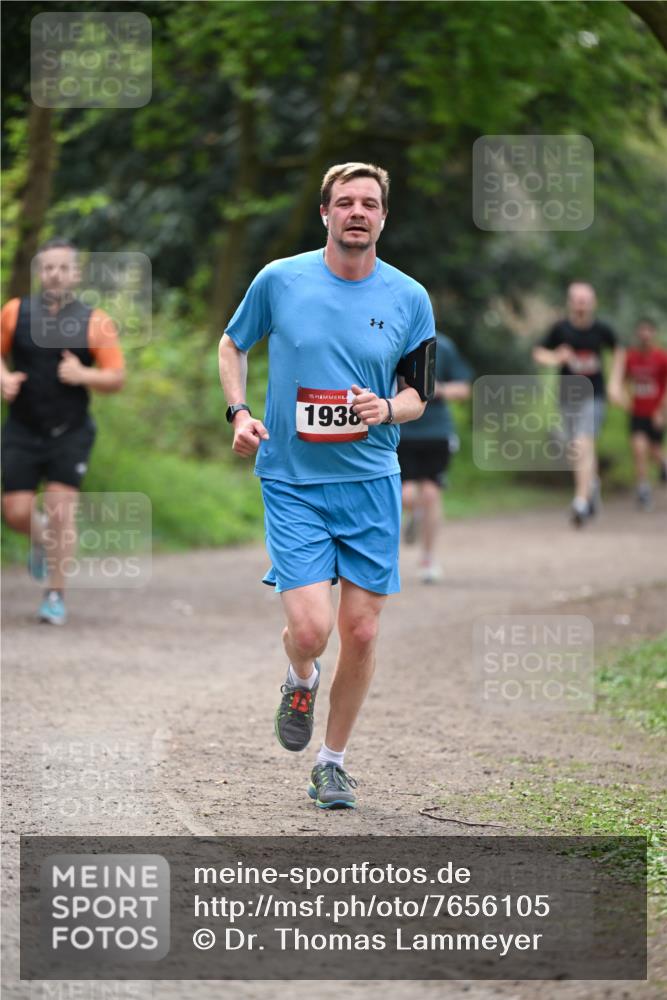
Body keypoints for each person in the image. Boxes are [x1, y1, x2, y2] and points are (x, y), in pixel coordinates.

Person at [218, 162, 435, 810]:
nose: (357, 212)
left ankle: (332, 762)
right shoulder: (279, 280)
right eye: (345, 202)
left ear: (383, 217)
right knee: (311, 630)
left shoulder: (408, 298)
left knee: (362, 633)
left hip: (370, 481)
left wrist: (386, 409)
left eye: (369, 203)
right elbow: (232, 345)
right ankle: (299, 676)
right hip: (293, 480)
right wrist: (239, 412)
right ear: (325, 213)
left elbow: (418, 393)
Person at [1, 239, 125, 624]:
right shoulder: (15, 312)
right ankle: (39, 541)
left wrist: (82, 373)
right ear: (40, 272)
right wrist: (3, 378)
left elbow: (116, 377)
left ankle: (55, 594)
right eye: (48, 267)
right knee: (16, 512)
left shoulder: (95, 320)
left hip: (70, 431)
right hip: (22, 427)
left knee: (60, 511)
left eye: (63, 268)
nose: (55, 274)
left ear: (76, 274)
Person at [532, 282, 625, 527]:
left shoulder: (602, 330)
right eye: (577, 299)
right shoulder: (560, 329)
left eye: (585, 299)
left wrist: (615, 382)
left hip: (594, 396)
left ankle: (580, 503)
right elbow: (539, 353)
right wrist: (556, 357)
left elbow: (618, 351)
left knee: (582, 442)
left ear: (593, 302)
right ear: (570, 302)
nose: (581, 304)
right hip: (567, 397)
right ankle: (592, 484)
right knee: (575, 447)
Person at [399, 331, 472, 582]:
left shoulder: (445, 346)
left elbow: (463, 388)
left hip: (436, 432)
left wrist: (438, 389)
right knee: (405, 495)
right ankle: (416, 513)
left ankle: (428, 558)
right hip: (401, 430)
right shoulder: (394, 340)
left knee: (431, 493)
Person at [619, 318, 667, 509]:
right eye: (642, 331)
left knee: (654, 451)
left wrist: (661, 411)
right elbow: (623, 380)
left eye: (648, 331)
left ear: (653, 333)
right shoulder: (631, 358)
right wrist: (625, 399)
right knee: (639, 451)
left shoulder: (662, 358)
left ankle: (663, 464)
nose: (645, 335)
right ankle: (643, 489)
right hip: (637, 412)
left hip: (655, 413)